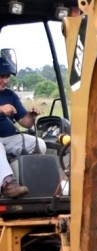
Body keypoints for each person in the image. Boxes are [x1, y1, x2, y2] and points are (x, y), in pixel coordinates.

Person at [0, 56, 47, 198]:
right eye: (1, 76)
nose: (5, 80)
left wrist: (31, 116)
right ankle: (7, 185)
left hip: (10, 138)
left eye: (7, 77)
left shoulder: (10, 95)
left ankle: (31, 181)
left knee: (39, 144)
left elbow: (24, 122)